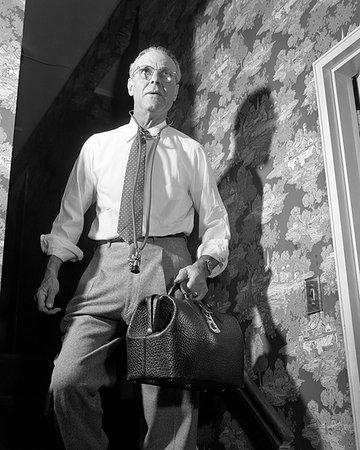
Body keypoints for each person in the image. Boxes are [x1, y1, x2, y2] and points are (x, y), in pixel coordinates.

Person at [35, 45, 230, 450]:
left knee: (169, 400)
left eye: (166, 75)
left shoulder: (190, 151)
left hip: (166, 266)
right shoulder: (97, 147)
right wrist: (52, 270)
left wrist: (204, 264)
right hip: (104, 266)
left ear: (175, 91)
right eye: (144, 72)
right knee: (67, 380)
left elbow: (215, 220)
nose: (154, 80)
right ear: (129, 83)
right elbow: (70, 216)